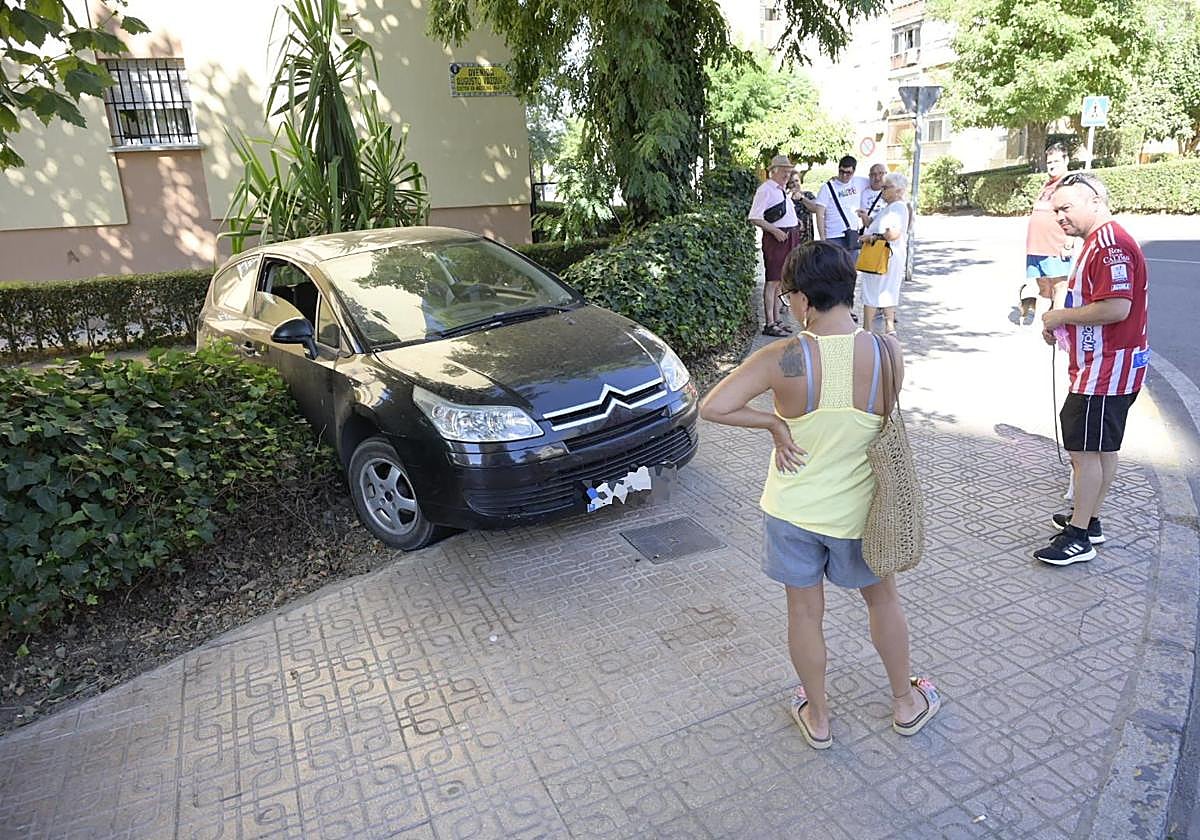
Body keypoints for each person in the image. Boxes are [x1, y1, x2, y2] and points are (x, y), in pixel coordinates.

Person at [699, 241, 940, 749]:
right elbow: (876, 421)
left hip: (792, 512)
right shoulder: (887, 352)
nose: (789, 305)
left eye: (790, 296)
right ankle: (904, 702)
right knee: (884, 601)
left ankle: (820, 716)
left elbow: (714, 407)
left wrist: (773, 423)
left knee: (804, 613)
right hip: (864, 514)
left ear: (804, 299)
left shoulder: (781, 357)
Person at [1035, 172, 1149, 566]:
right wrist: (1063, 326)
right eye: (1056, 211)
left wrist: (1061, 316)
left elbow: (1117, 307)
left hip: (1106, 370)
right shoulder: (1099, 242)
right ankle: (1089, 519)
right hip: (1107, 366)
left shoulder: (1109, 244)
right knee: (1101, 450)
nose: (1060, 217)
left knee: (1085, 453)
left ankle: (1079, 536)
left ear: (1095, 202)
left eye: (1066, 208)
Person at [1019, 143, 1074, 325]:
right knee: (1043, 288)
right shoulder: (1048, 184)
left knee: (1059, 286)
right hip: (1037, 246)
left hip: (1055, 245)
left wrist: (1068, 243)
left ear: (1066, 160)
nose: (1052, 165)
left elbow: (1072, 214)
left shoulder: (1068, 184)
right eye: (1049, 162)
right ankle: (1041, 324)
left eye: (1056, 161)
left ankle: (1057, 325)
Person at [748, 154, 802, 337]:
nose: (787, 175)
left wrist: (795, 223)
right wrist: (775, 231)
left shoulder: (780, 190)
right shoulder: (766, 189)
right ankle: (770, 323)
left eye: (789, 171)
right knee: (772, 281)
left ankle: (776, 319)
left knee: (780, 281)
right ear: (774, 171)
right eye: (784, 171)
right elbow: (754, 217)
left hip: (788, 236)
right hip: (777, 239)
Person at [858, 172, 911, 335]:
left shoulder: (897, 208)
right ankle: (889, 328)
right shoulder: (892, 207)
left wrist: (871, 238)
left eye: (886, 187)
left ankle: (868, 329)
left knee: (872, 291)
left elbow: (893, 233)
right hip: (888, 255)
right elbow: (876, 225)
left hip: (882, 255)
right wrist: (866, 219)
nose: (883, 190)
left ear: (898, 190)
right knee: (888, 291)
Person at [814, 155, 869, 250]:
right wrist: (822, 239)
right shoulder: (827, 188)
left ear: (854, 171)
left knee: (852, 259)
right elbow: (819, 215)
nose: (844, 175)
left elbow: (878, 183)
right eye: (841, 171)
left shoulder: (858, 181)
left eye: (848, 173)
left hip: (852, 235)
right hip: (833, 236)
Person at [787, 172, 821, 244]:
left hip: (807, 239)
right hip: (791, 238)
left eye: (796, 181)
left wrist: (802, 198)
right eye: (791, 182)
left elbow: (815, 208)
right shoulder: (785, 198)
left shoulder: (808, 195)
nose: (795, 184)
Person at [856, 163, 887, 232]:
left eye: (880, 173)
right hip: (866, 234)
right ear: (869, 176)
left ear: (886, 174)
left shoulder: (891, 192)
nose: (877, 177)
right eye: (873, 174)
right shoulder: (862, 194)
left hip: (884, 233)